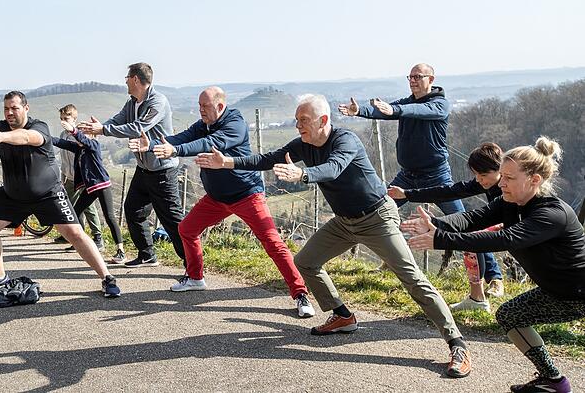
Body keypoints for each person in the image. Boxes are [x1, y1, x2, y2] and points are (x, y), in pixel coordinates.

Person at [197, 94, 472, 378]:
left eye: (303, 120)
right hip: (344, 222)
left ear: (323, 120)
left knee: (413, 279)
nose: (297, 125)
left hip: (377, 217)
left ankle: (457, 344)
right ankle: (342, 315)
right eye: (296, 120)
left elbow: (334, 167)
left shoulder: (345, 140)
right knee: (305, 262)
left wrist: (302, 175)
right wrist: (227, 162)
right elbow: (267, 159)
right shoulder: (303, 144)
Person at [404, 137, 583, 393]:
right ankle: (553, 381)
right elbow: (473, 218)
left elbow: (504, 238)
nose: (503, 183)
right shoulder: (509, 203)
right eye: (503, 176)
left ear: (535, 180)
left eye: (510, 178)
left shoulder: (552, 214)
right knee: (510, 314)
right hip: (557, 291)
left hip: (579, 293)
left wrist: (440, 239)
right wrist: (438, 225)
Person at [132, 86, 314, 318]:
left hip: (246, 194)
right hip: (217, 198)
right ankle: (196, 278)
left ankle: (300, 294)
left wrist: (175, 150)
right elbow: (186, 136)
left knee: (273, 243)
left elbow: (209, 143)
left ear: (220, 106)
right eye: (199, 106)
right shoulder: (203, 124)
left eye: (205, 107)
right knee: (186, 229)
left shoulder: (235, 123)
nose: (201, 111)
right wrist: (158, 144)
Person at [0, 90, 120, 297]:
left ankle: (107, 278)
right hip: (13, 195)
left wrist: (1, 137)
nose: (10, 112)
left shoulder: (39, 127)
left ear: (26, 108)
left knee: (75, 234)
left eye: (14, 108)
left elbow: (28, 137)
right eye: (6, 109)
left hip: (48, 194)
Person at [338, 63, 468, 270]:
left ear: (431, 80)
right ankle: (393, 260)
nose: (413, 81)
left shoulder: (440, 104)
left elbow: (418, 110)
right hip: (407, 176)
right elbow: (385, 112)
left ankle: (493, 277)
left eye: (418, 76)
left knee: (465, 225)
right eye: (410, 77)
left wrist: (395, 109)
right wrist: (359, 111)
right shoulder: (407, 103)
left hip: (437, 177)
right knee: (376, 212)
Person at [77, 62, 186, 268]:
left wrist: (103, 130)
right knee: (133, 210)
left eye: (127, 77)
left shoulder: (157, 102)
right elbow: (119, 120)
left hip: (163, 169)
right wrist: (98, 127)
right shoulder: (133, 102)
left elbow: (138, 127)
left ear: (135, 78)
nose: (125, 81)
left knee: (172, 219)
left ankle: (192, 264)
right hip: (144, 168)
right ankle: (147, 255)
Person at [389, 142, 506, 311]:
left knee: (471, 237)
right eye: (475, 174)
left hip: (521, 229)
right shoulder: (487, 182)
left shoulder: (511, 184)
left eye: (483, 174)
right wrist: (408, 194)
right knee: (470, 238)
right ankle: (478, 297)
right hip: (505, 226)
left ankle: (489, 287)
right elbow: (449, 191)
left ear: (500, 168)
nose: (479, 179)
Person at [53, 118, 126, 264]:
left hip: (102, 185)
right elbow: (60, 142)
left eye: (84, 132)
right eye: (80, 132)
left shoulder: (94, 145)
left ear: (92, 135)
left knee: (109, 216)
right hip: (91, 187)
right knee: (76, 211)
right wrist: (40, 136)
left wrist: (73, 130)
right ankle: (81, 242)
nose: (81, 134)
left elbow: (85, 141)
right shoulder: (79, 148)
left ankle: (121, 251)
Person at [55, 104, 105, 250]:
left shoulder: (80, 134)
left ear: (74, 119)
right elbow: (64, 158)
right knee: (71, 207)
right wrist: (63, 175)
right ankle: (77, 237)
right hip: (69, 178)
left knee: (87, 207)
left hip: (83, 178)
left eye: (66, 118)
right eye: (61, 118)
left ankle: (97, 237)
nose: (63, 121)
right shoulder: (63, 135)